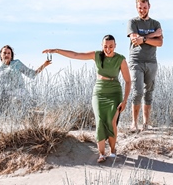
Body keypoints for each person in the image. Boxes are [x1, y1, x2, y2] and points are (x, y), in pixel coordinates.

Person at [43, 35, 131, 163]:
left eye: (111, 46)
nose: (108, 49)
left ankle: (112, 151)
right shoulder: (96, 55)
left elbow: (128, 81)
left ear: (115, 45)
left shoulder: (120, 59)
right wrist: (56, 50)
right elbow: (75, 55)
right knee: (100, 120)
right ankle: (101, 153)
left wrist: (125, 100)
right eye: (105, 46)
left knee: (112, 121)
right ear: (102, 46)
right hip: (99, 92)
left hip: (114, 93)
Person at [127, 0, 163, 131]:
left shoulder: (155, 24)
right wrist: (153, 35)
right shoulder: (132, 22)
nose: (142, 10)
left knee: (149, 91)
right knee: (138, 91)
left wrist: (146, 39)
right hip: (136, 60)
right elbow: (135, 39)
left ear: (149, 7)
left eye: (144, 7)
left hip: (151, 61)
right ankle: (134, 123)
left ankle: (146, 123)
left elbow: (160, 43)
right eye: (140, 8)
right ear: (136, 8)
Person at [0, 45, 51, 110]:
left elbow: (31, 74)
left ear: (11, 55)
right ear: (0, 55)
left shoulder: (17, 64)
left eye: (9, 53)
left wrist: (44, 64)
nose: (6, 55)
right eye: (4, 53)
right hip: (5, 96)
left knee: (17, 102)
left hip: (19, 94)